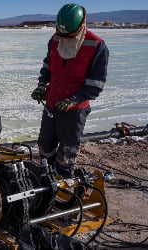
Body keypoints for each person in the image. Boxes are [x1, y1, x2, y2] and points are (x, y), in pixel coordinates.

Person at [31, 3, 109, 178]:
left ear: (81, 25)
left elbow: (95, 85)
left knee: (66, 152)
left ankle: (64, 184)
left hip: (74, 111)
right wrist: (42, 85)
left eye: (69, 35)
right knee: (44, 145)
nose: (64, 39)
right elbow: (48, 66)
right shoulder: (55, 39)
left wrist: (75, 99)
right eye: (61, 34)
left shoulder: (97, 46)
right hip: (52, 103)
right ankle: (45, 178)